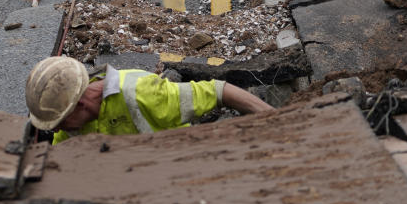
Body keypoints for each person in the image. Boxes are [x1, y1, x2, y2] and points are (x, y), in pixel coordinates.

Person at [25, 56, 273, 143]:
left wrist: (278, 120)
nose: (56, 130)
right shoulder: (71, 126)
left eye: (59, 123)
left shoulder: (142, 93)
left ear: (80, 104)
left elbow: (219, 91)